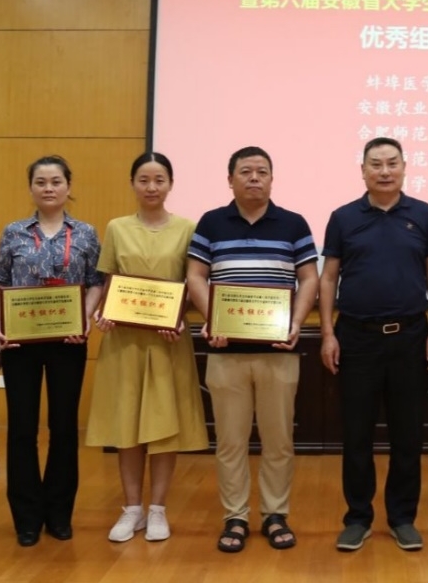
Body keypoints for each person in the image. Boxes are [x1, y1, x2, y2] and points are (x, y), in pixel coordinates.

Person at [186, 146, 319, 553]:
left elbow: (309, 278)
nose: (254, 178)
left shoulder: (294, 223)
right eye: (245, 171)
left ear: (272, 179)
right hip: (225, 350)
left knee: (279, 441)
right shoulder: (211, 222)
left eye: (262, 171)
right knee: (230, 442)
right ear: (230, 179)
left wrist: (296, 323)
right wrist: (213, 319)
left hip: (279, 348)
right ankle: (236, 516)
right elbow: (195, 275)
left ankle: (276, 514)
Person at [319, 136, 428, 552]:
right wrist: (327, 333)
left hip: (410, 336)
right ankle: (358, 518)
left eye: (392, 163)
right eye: (376, 164)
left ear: (405, 168)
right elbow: (328, 277)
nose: (385, 171)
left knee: (407, 436)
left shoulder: (423, 214)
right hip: (356, 338)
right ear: (362, 171)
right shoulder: (343, 217)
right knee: (356, 435)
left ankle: (402, 518)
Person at [84, 152, 208, 543]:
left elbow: (192, 283)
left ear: (170, 184)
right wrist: (103, 313)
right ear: (132, 184)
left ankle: (157, 509)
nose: (151, 187)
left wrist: (179, 316)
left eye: (159, 180)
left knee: (163, 425)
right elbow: (109, 280)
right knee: (127, 425)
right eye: (143, 179)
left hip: (167, 340)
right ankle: (131, 509)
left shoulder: (188, 228)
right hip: (124, 341)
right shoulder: (117, 227)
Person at [0, 156, 104, 546]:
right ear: (31, 188)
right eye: (41, 182)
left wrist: (85, 318)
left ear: (69, 186)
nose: (49, 188)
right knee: (22, 429)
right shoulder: (13, 232)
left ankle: (58, 514)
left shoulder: (86, 233)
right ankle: (26, 517)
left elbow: (95, 282)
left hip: (68, 342)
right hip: (20, 343)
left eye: (56, 181)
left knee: (64, 427)